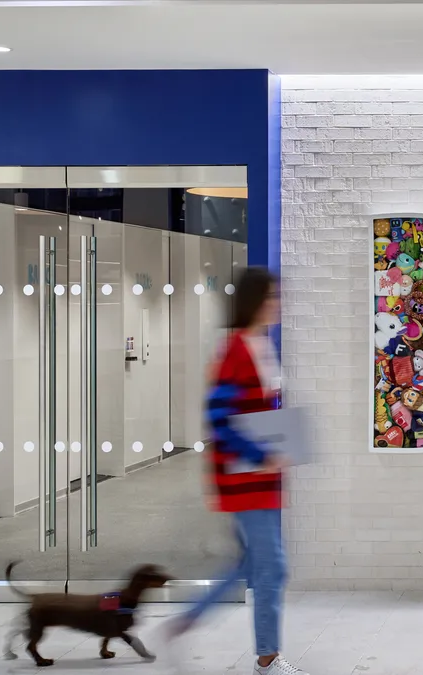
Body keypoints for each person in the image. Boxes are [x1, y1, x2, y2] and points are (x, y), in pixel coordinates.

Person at [168, 267, 307, 675]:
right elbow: (220, 416)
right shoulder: (234, 348)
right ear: (252, 301)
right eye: (269, 297)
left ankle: (185, 621)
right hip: (245, 477)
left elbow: (259, 408)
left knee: (249, 565)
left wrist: (279, 447)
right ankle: (267, 659)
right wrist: (261, 453)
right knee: (274, 566)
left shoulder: (260, 344)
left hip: (261, 474)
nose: (276, 304)